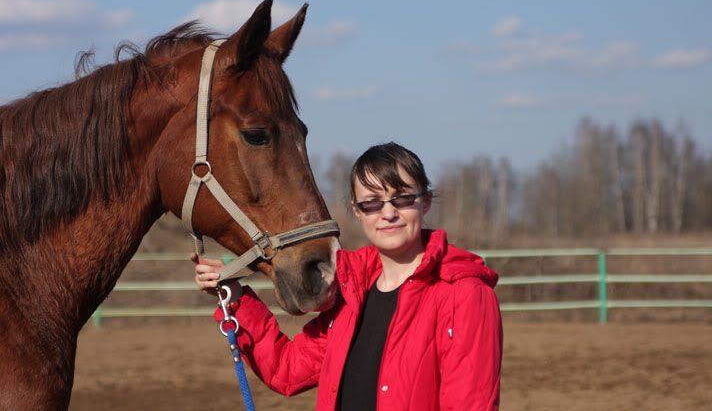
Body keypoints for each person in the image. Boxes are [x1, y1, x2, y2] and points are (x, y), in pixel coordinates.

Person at [193, 142, 502, 410]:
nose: (388, 213)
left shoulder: (464, 295)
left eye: (403, 198)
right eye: (372, 202)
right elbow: (286, 371)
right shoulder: (350, 296)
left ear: (426, 201)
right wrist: (236, 298)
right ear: (356, 211)